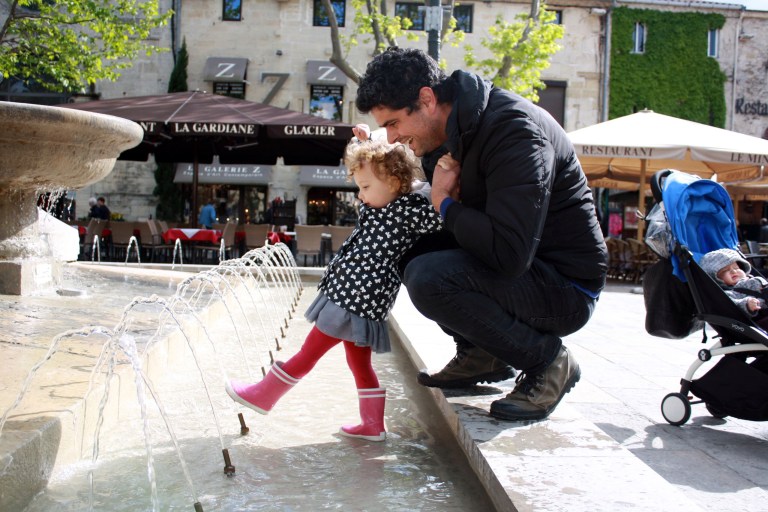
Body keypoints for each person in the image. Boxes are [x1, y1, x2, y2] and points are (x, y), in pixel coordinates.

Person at [354, 47, 607, 422]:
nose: (391, 137)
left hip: (566, 287)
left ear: (426, 99)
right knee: (404, 246)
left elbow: (509, 252)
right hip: (524, 270)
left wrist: (443, 202)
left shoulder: (516, 131)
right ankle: (480, 354)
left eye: (393, 124)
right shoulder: (451, 132)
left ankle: (549, 362)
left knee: (430, 278)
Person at [225, 138, 444, 441]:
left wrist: (448, 180)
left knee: (307, 353)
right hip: (354, 297)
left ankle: (264, 395)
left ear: (395, 182)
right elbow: (390, 179)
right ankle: (372, 425)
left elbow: (439, 213)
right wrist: (368, 143)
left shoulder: (410, 209)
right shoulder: (381, 202)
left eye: (365, 187)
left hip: (354, 300)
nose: (360, 194)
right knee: (359, 363)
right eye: (359, 186)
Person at [700, 248, 768, 320]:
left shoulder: (752, 279)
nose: (733, 271)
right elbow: (733, 305)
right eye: (725, 271)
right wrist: (747, 304)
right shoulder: (728, 293)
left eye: (736, 268)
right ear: (717, 279)